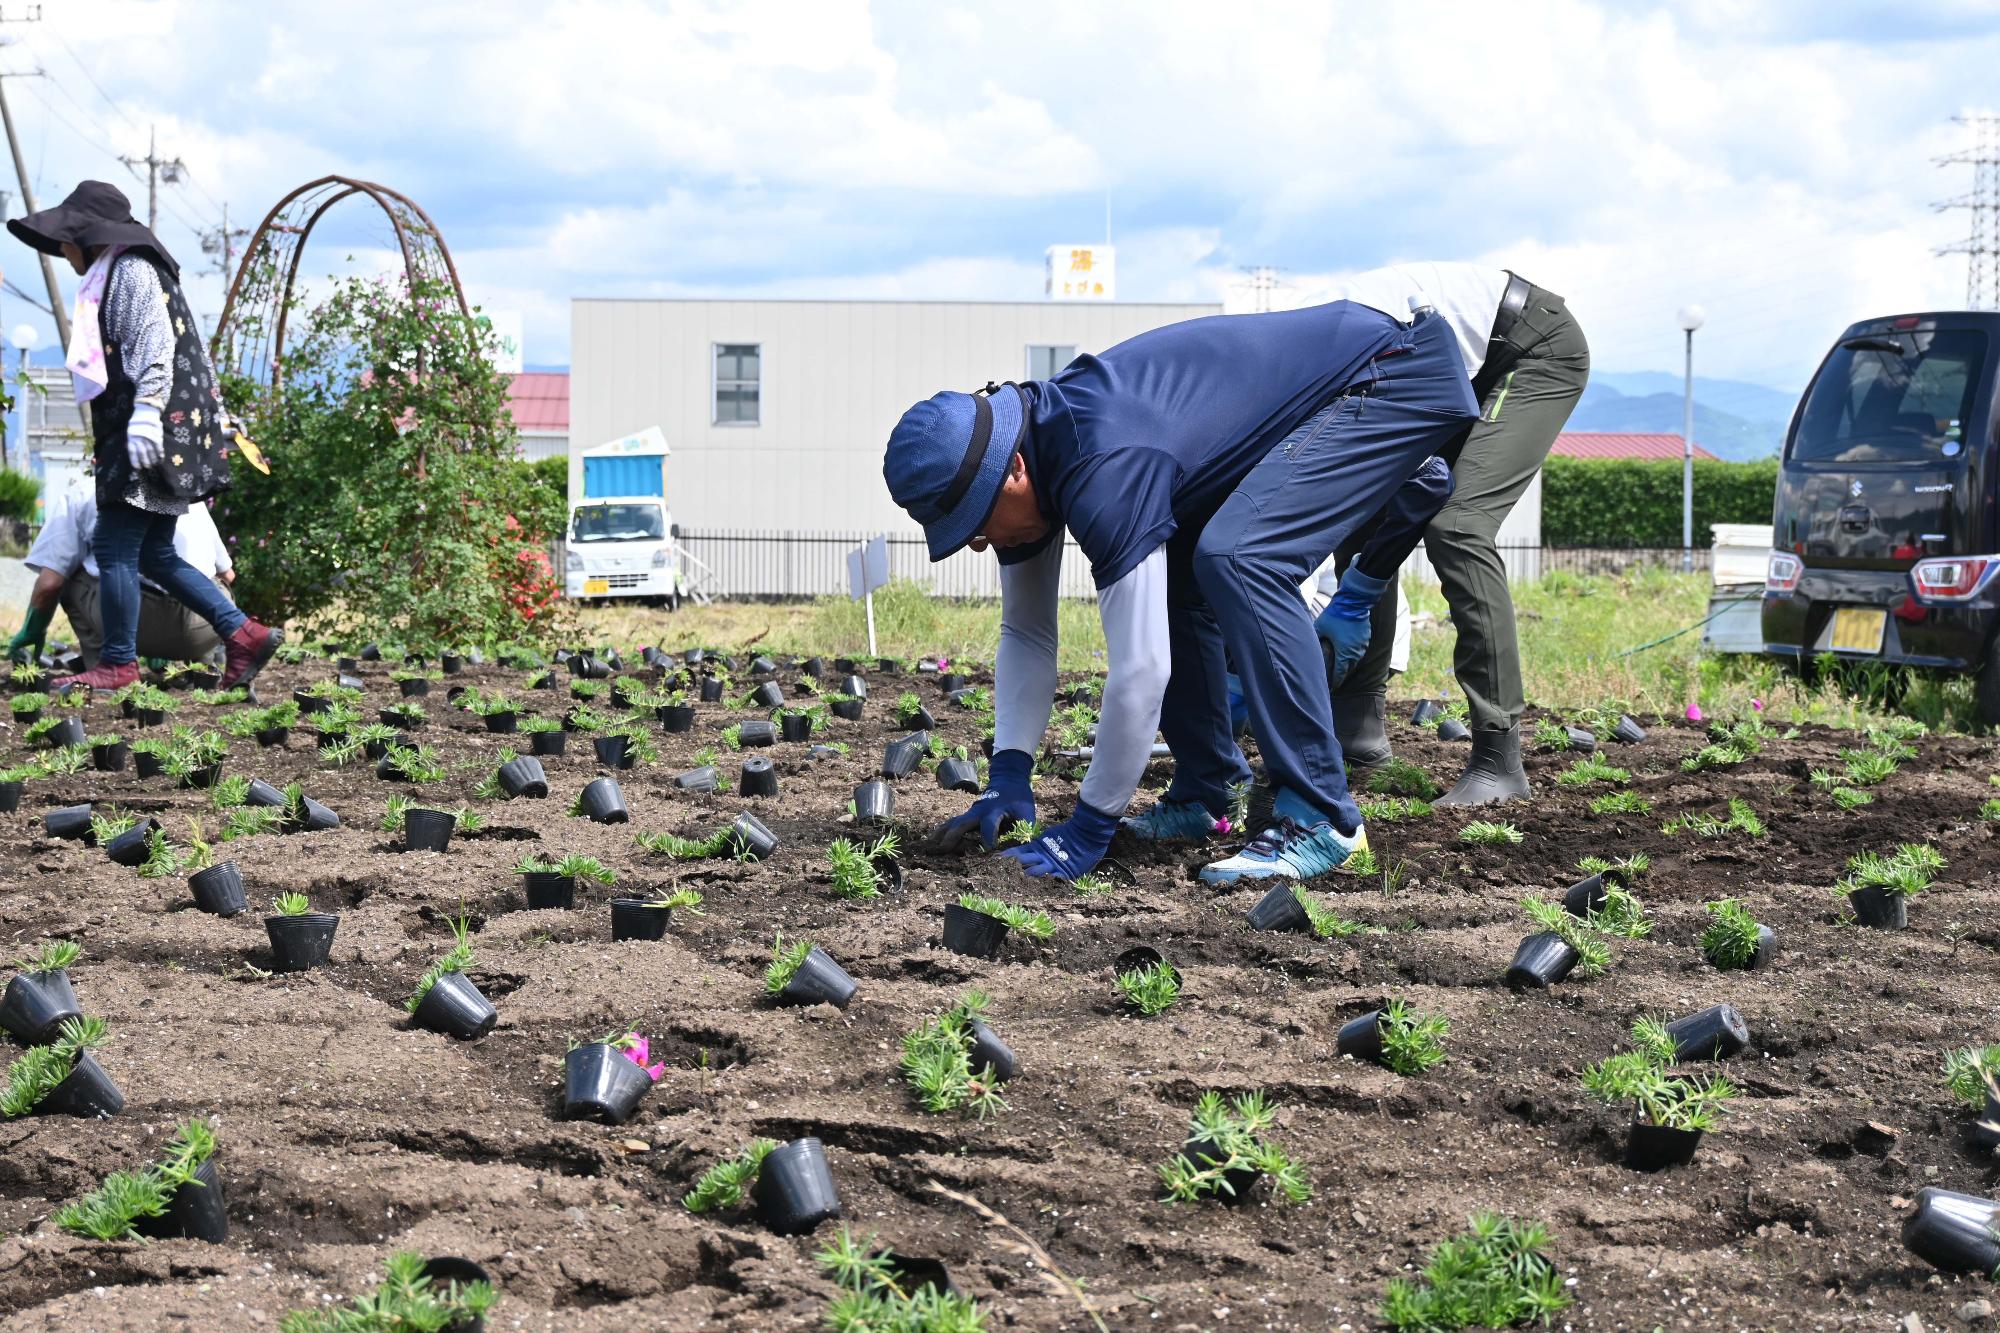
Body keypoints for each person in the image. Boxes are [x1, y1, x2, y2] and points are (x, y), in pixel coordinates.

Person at [883, 297, 1478, 885]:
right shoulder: (1030, 459)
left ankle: (1323, 817)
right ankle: (1207, 794)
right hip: (1342, 388)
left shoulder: (1104, 463)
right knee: (1181, 573)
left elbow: (1142, 670)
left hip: (1389, 375)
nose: (980, 545)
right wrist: (1008, 776)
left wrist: (1092, 827)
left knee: (1242, 557)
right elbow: (1027, 632)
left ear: (1012, 468)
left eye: (976, 523)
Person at [1309, 264, 1589, 805]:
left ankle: (1497, 759)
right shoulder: (1303, 364)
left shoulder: (1331, 348)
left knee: (1458, 526)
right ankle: (1357, 725)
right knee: (1361, 515)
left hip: (1531, 347)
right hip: (1459, 363)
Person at [6, 180, 281, 693]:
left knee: (112, 546)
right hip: (162, 432)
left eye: (69, 239)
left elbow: (154, 347)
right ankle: (244, 633)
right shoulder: (125, 271)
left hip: (150, 432)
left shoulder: (130, 270)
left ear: (90, 238)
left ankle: (118, 662)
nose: (65, 251)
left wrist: (147, 413)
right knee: (155, 553)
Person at [8, 490, 236, 668]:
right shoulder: (187, 494)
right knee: (213, 581)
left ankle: (108, 665)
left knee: (67, 574)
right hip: (203, 628)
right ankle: (205, 667)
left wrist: (32, 629)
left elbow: (50, 583)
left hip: (135, 624)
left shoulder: (85, 493)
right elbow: (228, 573)